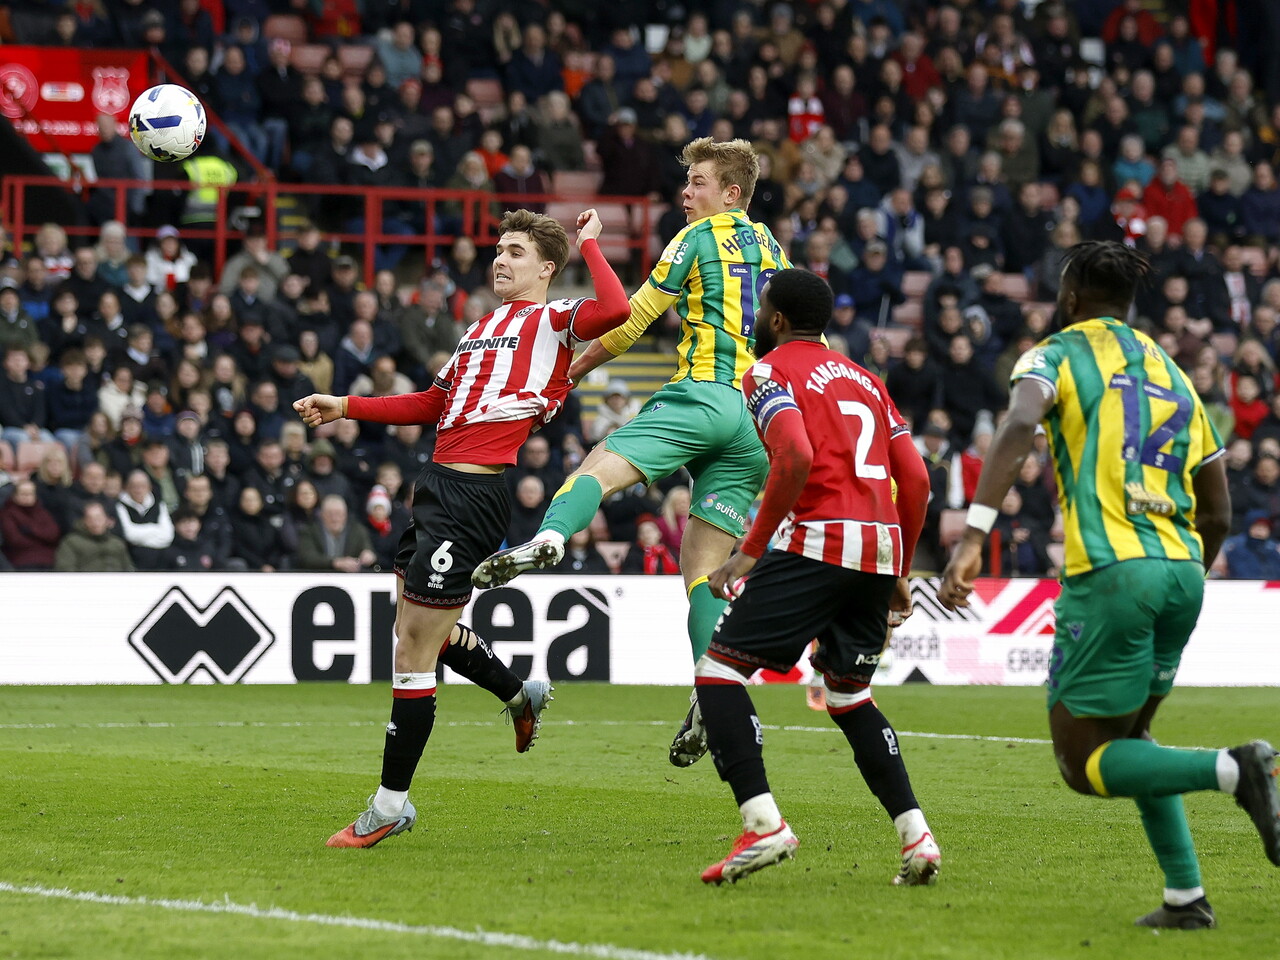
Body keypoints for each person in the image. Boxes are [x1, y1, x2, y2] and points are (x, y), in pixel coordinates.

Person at [939, 240, 1280, 929]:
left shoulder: (1055, 354)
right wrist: (1182, 570)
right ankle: (1186, 897)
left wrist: (973, 535)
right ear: (1130, 305)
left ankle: (1235, 769)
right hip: (1184, 571)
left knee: (1082, 760)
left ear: (1070, 300)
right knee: (1134, 738)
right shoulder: (1174, 373)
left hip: (1112, 571)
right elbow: (1217, 507)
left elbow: (1018, 425)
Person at [292, 207, 631, 848]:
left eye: (516, 252)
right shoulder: (479, 329)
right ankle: (517, 692)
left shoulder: (554, 320)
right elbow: (430, 402)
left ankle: (390, 804)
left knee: (412, 649)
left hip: (475, 491)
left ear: (546, 268)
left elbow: (615, 310)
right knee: (417, 628)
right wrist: (345, 406)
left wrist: (590, 245)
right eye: (497, 250)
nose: (500, 260)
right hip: (435, 485)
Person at [474, 138, 792, 769]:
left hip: (704, 394)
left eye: (698, 182)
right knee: (701, 566)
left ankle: (552, 537)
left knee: (599, 466)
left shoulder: (696, 237)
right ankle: (715, 684)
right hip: (758, 422)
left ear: (730, 193)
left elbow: (631, 318)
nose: (686, 192)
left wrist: (572, 369)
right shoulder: (776, 252)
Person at [695, 268, 938, 886]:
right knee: (849, 695)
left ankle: (763, 823)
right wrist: (900, 569)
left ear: (776, 320)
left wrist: (748, 552)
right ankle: (917, 838)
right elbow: (916, 481)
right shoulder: (868, 381)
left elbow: (796, 454)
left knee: (718, 671)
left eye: (760, 309)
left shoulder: (769, 371)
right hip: (879, 549)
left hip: (821, 541)